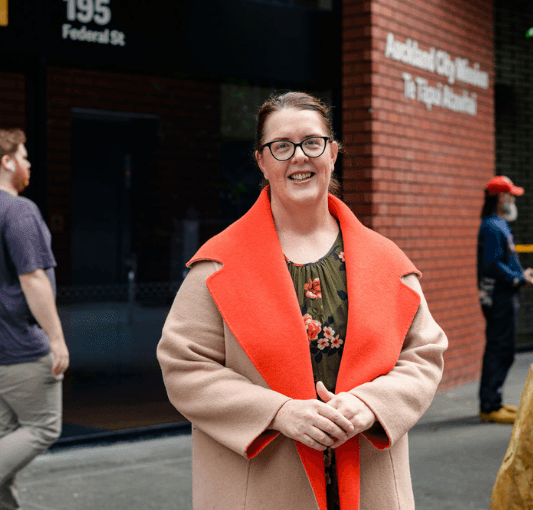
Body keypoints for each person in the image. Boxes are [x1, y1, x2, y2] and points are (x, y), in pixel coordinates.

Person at [157, 92, 448, 510]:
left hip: (370, 481)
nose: (299, 157)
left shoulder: (388, 261)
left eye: (312, 142)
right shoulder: (218, 265)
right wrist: (278, 413)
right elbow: (184, 366)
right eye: (281, 146)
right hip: (260, 486)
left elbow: (424, 354)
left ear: (332, 152)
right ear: (261, 161)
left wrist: (371, 405)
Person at [0, 128, 69, 510]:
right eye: (24, 155)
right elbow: (33, 278)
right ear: (7, 162)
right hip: (20, 346)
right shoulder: (19, 210)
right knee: (43, 427)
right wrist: (55, 338)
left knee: (4, 432)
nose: (29, 164)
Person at [476, 176, 533, 424]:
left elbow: (503, 262)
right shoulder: (493, 226)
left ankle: (495, 402)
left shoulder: (497, 224)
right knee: (499, 348)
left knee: (503, 348)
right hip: (499, 297)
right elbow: (492, 265)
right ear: (502, 197)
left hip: (504, 295)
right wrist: (518, 278)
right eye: (511, 195)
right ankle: (490, 405)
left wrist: (521, 275)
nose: (513, 200)